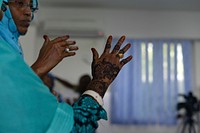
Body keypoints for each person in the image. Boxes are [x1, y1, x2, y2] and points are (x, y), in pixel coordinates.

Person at [0, 0, 133, 133]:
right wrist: (101, 80)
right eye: (19, 3)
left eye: (31, 6)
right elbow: (77, 127)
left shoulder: (11, 48)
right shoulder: (3, 53)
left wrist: (39, 76)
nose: (29, 12)